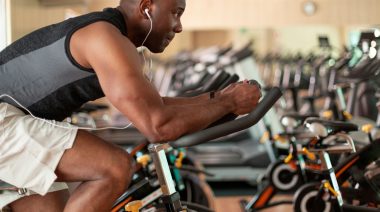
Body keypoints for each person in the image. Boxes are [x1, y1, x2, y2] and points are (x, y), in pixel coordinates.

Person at [0, 0, 261, 211]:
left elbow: (155, 105)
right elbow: (159, 125)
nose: (179, 26)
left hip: (13, 121)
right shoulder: (105, 38)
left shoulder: (109, 35)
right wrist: (230, 102)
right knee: (114, 167)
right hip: (4, 119)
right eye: (175, 13)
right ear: (147, 7)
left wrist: (217, 99)